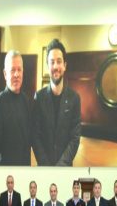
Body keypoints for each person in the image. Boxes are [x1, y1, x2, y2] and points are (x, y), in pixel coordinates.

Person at [32, 38, 81, 166]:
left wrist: (60, 167)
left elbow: (75, 139)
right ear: (48, 66)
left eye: (59, 61)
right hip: (44, 168)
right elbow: (35, 136)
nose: (55, 66)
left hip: (65, 169)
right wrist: (47, 167)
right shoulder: (39, 97)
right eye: (52, 62)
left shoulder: (74, 98)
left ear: (65, 65)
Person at [0, 50, 32, 166]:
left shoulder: (26, 100)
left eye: (19, 70)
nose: (16, 74)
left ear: (23, 72)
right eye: (12, 70)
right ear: (5, 74)